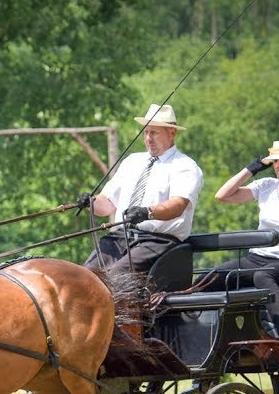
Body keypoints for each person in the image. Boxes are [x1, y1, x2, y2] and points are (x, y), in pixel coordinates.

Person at [207, 137, 279, 338]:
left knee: (262, 275)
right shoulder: (266, 186)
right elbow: (222, 195)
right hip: (256, 258)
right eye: (275, 161)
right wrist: (251, 168)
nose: (278, 166)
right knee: (213, 277)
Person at [81, 103, 203, 278]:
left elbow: (178, 205)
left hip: (157, 242)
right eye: (146, 132)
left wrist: (147, 213)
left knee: (115, 277)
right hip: (120, 238)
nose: (148, 138)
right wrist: (90, 203)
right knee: (84, 278)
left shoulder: (185, 166)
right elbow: (107, 205)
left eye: (154, 132)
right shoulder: (132, 161)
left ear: (172, 133)